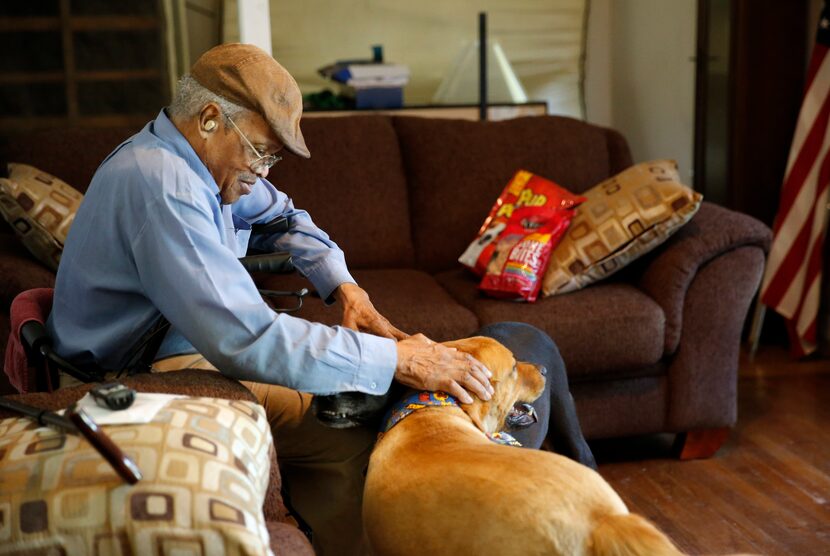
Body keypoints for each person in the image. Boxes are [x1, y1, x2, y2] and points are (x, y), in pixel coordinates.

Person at [47, 43, 594, 555]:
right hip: (135, 374)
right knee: (342, 419)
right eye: (260, 152)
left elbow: (286, 216)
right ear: (210, 118)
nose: (262, 171)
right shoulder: (162, 184)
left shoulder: (204, 162)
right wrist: (401, 358)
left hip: (185, 335)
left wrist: (345, 289)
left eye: (272, 159)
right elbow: (248, 338)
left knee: (354, 387)